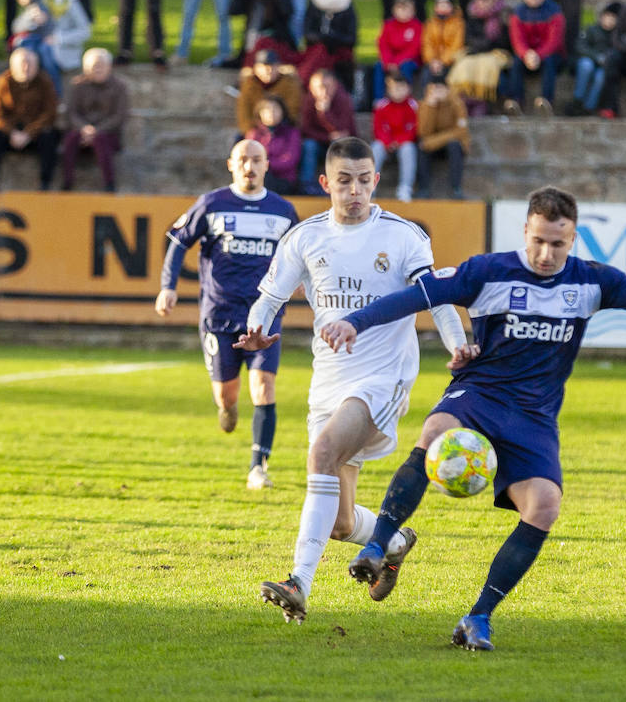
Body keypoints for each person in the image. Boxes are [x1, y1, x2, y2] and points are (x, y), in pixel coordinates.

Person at [319, 186, 626, 651]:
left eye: (558, 244)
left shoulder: (592, 282)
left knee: (544, 505)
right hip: (480, 394)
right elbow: (418, 297)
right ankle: (378, 543)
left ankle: (477, 618)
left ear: (572, 240)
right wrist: (356, 321)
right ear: (525, 231)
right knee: (434, 432)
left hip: (534, 416)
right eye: (538, 241)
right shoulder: (487, 272)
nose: (546, 253)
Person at [239, 135, 468, 623]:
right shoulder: (306, 237)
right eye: (344, 182)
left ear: (376, 181)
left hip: (382, 379)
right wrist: (256, 329)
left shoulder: (404, 236)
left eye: (364, 181)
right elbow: (270, 297)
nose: (355, 191)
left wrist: (458, 348)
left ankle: (298, 582)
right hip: (328, 383)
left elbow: (438, 297)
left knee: (320, 453)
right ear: (326, 183)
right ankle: (397, 539)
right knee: (341, 523)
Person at [156, 139, 299, 487]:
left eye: (257, 160)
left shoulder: (283, 211)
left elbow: (300, 253)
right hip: (219, 314)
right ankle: (227, 407)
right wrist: (168, 286)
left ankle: (258, 468)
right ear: (231, 164)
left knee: (263, 387)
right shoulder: (212, 204)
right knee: (227, 393)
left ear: (267, 165)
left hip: (265, 313)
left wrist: (305, 281)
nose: (250, 167)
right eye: (243, 160)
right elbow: (177, 241)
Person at [0, 47, 58, 191]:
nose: (26, 68)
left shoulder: (45, 81)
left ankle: (45, 184)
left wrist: (29, 133)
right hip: (11, 132)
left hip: (35, 132)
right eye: (22, 64)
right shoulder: (3, 81)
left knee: (49, 138)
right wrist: (12, 132)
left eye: (29, 64)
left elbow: (50, 113)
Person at [60, 48, 128, 192]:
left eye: (101, 66)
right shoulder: (77, 86)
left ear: (109, 67)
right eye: (94, 66)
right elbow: (71, 113)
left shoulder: (119, 87)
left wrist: (96, 131)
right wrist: (84, 128)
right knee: (70, 139)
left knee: (100, 139)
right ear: (86, 68)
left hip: (108, 134)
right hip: (81, 132)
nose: (98, 69)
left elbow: (119, 116)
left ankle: (109, 185)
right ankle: (67, 183)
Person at [447, 0, 511, 111]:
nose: (479, 1)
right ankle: (464, 104)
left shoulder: (505, 16)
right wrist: (486, 43)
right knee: (464, 64)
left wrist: (485, 45)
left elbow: (505, 42)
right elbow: (469, 39)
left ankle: (482, 103)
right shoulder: (472, 14)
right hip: (476, 52)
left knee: (487, 64)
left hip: (498, 54)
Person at [505, 0, 565, 116]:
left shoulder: (555, 13)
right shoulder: (517, 14)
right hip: (527, 57)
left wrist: (538, 55)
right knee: (516, 62)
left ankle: (546, 101)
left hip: (551, 55)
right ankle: (516, 101)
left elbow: (554, 42)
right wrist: (527, 54)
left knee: (549, 61)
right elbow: (517, 41)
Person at [299, 0, 357, 91]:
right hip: (317, 47)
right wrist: (321, 38)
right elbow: (307, 31)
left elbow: (352, 37)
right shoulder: (315, 3)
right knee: (319, 53)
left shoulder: (347, 5)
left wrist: (332, 38)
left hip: (340, 49)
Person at [299, 68, 355, 194]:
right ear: (312, 88)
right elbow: (306, 130)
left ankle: (338, 185)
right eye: (319, 87)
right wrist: (327, 137)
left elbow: (343, 131)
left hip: (341, 145)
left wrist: (325, 113)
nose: (324, 91)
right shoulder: (308, 101)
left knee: (339, 144)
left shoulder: (343, 100)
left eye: (327, 87)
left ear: (335, 85)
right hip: (320, 143)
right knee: (309, 145)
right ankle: (306, 186)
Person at [416, 73, 468, 199]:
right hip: (433, 148)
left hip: (449, 145)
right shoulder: (425, 105)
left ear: (447, 89)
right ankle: (423, 189)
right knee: (420, 149)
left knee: (454, 145)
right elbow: (423, 132)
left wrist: (432, 142)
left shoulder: (457, 104)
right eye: (434, 89)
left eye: (440, 89)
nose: (437, 92)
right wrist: (431, 107)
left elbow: (460, 131)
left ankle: (456, 188)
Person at [372, 71, 419, 202]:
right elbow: (378, 128)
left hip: (403, 143)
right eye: (394, 88)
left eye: (401, 87)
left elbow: (414, 129)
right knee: (376, 148)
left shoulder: (414, 106)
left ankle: (405, 187)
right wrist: (387, 142)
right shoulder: (381, 105)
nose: (397, 91)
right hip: (385, 143)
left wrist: (399, 141)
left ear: (408, 88)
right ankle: (369, 187)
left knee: (408, 149)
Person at [35, 0, 91, 73]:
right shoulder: (38, 1)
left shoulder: (70, 1)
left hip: (63, 52)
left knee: (45, 52)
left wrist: (58, 39)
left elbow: (85, 31)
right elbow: (18, 27)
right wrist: (31, 20)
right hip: (38, 49)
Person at [237, 48, 303, 137]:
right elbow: (244, 113)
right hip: (256, 131)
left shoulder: (289, 84)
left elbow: (293, 111)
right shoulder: (249, 85)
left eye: (273, 66)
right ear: (256, 68)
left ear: (279, 67)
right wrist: (255, 131)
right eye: (264, 67)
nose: (269, 70)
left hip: (283, 131)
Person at [569, 1, 619, 116]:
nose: (610, 20)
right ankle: (578, 100)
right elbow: (580, 46)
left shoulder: (616, 34)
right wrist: (596, 57)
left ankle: (588, 107)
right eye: (607, 17)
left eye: (613, 18)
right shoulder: (591, 29)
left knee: (601, 77)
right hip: (589, 61)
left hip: (605, 66)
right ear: (601, 17)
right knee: (586, 65)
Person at [247, 96, 301, 196]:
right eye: (267, 110)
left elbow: (290, 160)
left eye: (275, 109)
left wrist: (266, 164)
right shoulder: (254, 133)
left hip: (284, 179)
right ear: (259, 113)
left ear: (282, 112)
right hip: (261, 177)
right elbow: (250, 159)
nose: (271, 113)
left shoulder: (292, 133)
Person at [422, 0, 464, 79]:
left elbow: (456, 45)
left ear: (452, 7)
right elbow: (427, 44)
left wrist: (443, 61)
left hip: (450, 61)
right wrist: (432, 60)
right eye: (440, 4)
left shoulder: (458, 23)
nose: (443, 7)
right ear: (435, 8)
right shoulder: (430, 23)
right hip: (433, 62)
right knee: (426, 75)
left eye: (446, 4)